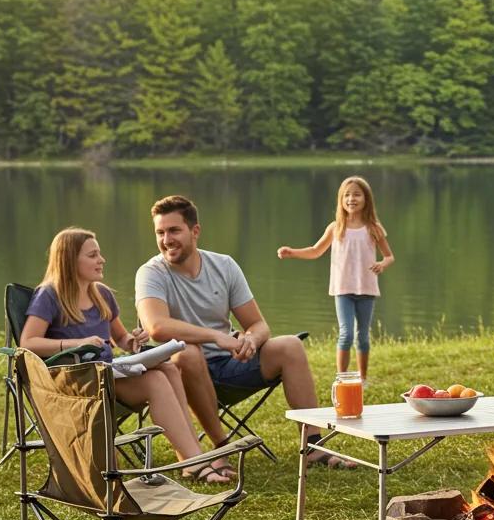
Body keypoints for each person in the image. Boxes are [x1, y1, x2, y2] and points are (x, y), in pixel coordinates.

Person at [135, 195, 353, 470]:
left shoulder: (224, 265)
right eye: (160, 232)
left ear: (195, 231)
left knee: (289, 346)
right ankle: (220, 447)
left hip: (231, 367)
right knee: (186, 353)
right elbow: (157, 326)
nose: (166, 239)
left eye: (174, 230)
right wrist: (216, 336)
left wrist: (251, 339)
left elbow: (259, 324)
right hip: (181, 378)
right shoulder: (151, 273)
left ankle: (313, 446)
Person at [22, 228, 231, 485]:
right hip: (75, 381)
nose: (102, 260)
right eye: (93, 255)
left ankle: (190, 460)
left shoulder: (102, 294)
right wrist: (78, 342)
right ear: (70, 260)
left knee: (167, 369)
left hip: (108, 376)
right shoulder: (50, 295)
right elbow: (28, 343)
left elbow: (120, 338)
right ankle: (196, 463)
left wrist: (132, 341)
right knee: (155, 382)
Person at [277, 177, 394, 382]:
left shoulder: (373, 228)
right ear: (341, 200)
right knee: (346, 334)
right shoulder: (336, 227)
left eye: (357, 194)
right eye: (347, 195)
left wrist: (382, 264)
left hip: (366, 288)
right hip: (342, 289)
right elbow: (315, 251)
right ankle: (341, 378)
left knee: (363, 337)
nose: (351, 199)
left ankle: (363, 378)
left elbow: (389, 256)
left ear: (366, 199)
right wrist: (292, 252)